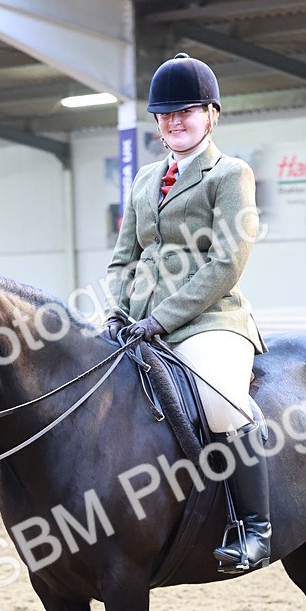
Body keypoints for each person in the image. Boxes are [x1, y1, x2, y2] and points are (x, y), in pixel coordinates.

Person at [105, 52, 270, 574]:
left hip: (209, 319)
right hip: (138, 323)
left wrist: (162, 318)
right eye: (166, 114)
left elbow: (227, 261)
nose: (175, 121)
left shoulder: (230, 174)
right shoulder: (144, 178)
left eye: (187, 111)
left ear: (211, 114)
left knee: (223, 408)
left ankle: (254, 529)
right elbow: (122, 257)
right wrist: (116, 309)